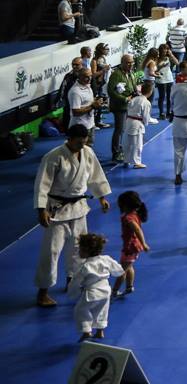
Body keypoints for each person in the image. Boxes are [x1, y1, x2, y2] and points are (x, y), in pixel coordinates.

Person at [34, 124, 111, 308]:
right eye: (78, 142)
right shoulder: (54, 156)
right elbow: (42, 185)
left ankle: (73, 282)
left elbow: (96, 176)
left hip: (79, 208)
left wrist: (102, 197)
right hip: (57, 210)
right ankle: (43, 292)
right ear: (69, 139)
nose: (81, 146)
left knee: (78, 248)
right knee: (51, 251)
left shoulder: (87, 152)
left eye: (84, 143)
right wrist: (41, 209)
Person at [68, 233, 124, 342]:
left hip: (92, 292)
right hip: (106, 290)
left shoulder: (85, 266)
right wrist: (118, 274)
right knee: (102, 310)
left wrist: (72, 292)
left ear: (85, 250)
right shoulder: (106, 259)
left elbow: (76, 282)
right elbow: (118, 270)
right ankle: (99, 332)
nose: (79, 251)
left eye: (80, 249)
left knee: (80, 310)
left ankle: (87, 331)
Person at [113, 190, 149, 298]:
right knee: (129, 267)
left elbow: (137, 230)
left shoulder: (128, 218)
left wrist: (144, 243)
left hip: (130, 247)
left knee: (121, 270)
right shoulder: (135, 214)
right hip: (134, 246)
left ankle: (114, 291)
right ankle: (129, 287)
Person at [106, 53, 137, 162]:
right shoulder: (116, 74)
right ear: (122, 63)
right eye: (128, 62)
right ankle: (116, 153)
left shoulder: (131, 73)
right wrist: (124, 99)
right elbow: (110, 91)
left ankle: (121, 149)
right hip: (119, 106)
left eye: (132, 62)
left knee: (124, 129)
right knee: (119, 129)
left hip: (129, 106)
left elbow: (133, 86)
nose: (130, 64)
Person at [123, 79, 154, 169]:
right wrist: (146, 123)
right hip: (137, 123)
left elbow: (128, 108)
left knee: (127, 142)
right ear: (150, 92)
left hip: (128, 121)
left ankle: (126, 160)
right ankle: (137, 162)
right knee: (137, 143)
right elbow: (145, 116)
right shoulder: (146, 102)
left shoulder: (134, 99)